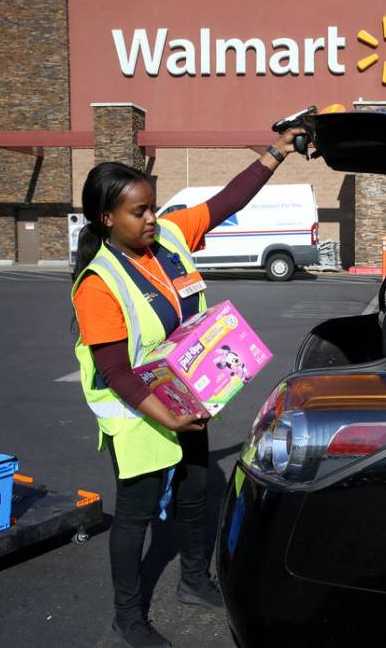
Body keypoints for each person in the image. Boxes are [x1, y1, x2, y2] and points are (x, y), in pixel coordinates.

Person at [70, 127, 305, 648]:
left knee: (196, 496)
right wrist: (168, 417)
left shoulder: (170, 237)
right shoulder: (98, 283)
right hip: (140, 417)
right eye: (139, 212)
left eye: (152, 207)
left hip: (187, 402)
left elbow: (227, 200)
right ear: (107, 218)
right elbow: (116, 372)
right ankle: (127, 617)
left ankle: (194, 582)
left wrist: (277, 153)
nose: (152, 218)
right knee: (135, 517)